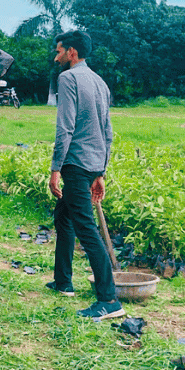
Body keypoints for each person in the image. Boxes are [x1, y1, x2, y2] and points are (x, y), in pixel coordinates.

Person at [46, 30, 122, 321]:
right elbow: (108, 132)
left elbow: (65, 127)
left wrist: (55, 169)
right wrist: (101, 171)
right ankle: (63, 281)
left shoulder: (69, 79)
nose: (57, 57)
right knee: (64, 217)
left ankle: (108, 299)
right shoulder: (100, 82)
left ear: (72, 53)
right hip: (92, 163)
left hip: (75, 164)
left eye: (59, 51)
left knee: (86, 229)